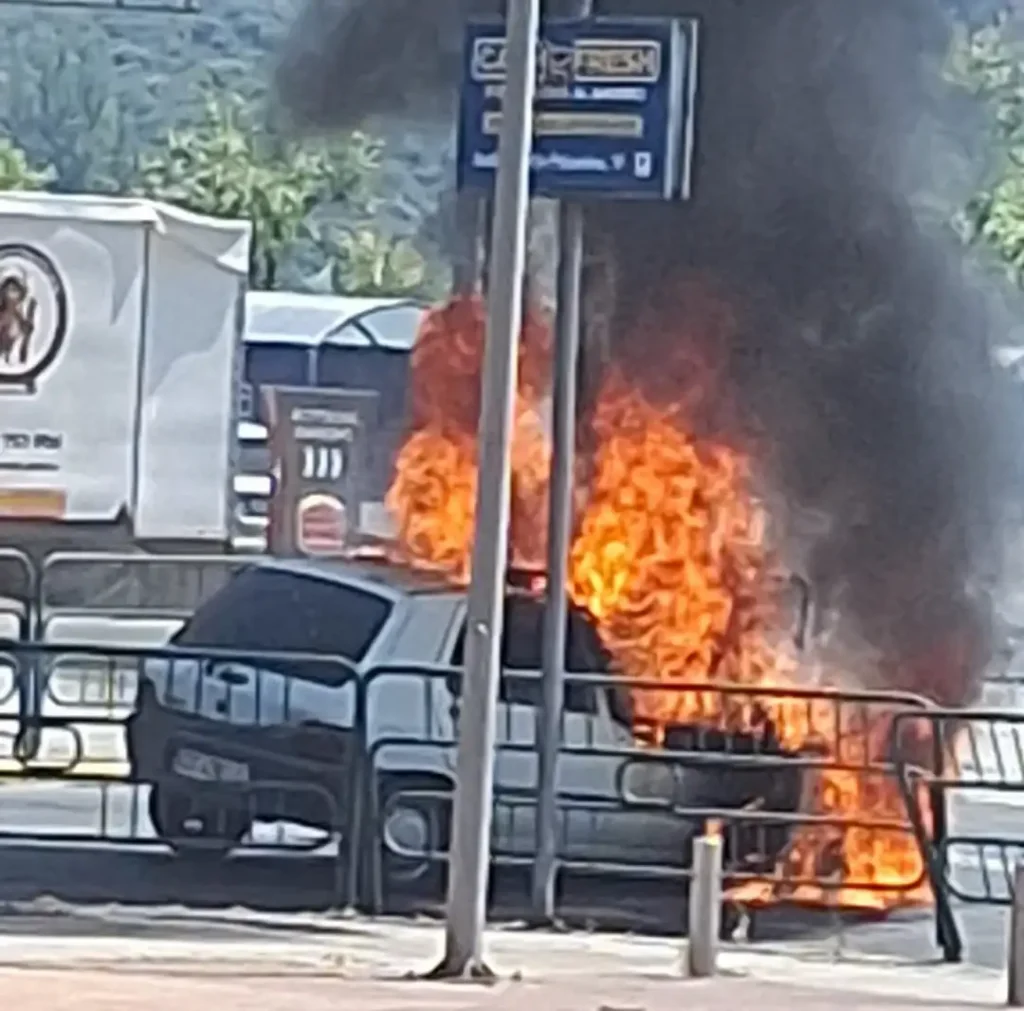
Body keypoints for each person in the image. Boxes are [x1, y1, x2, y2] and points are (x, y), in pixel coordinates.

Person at [0, 270, 37, 365]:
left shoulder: (21, 320)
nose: (11, 295)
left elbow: (23, 354)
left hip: (11, 360)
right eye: (8, 290)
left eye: (15, 290)